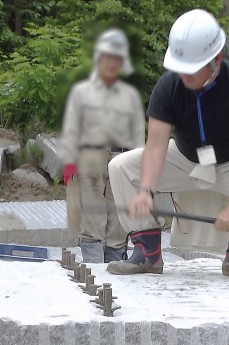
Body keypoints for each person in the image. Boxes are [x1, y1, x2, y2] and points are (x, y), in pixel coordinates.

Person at [106, 9, 229, 284]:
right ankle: (147, 252)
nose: (184, 75)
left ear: (217, 60)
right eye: (180, 67)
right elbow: (155, 147)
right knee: (121, 166)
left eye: (192, 68)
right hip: (185, 159)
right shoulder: (168, 87)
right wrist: (145, 190)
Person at [61, 28, 145, 263]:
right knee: (92, 222)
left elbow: (138, 135)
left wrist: (140, 172)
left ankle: (117, 271)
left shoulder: (129, 95)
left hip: (121, 160)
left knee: (118, 223)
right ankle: (94, 276)